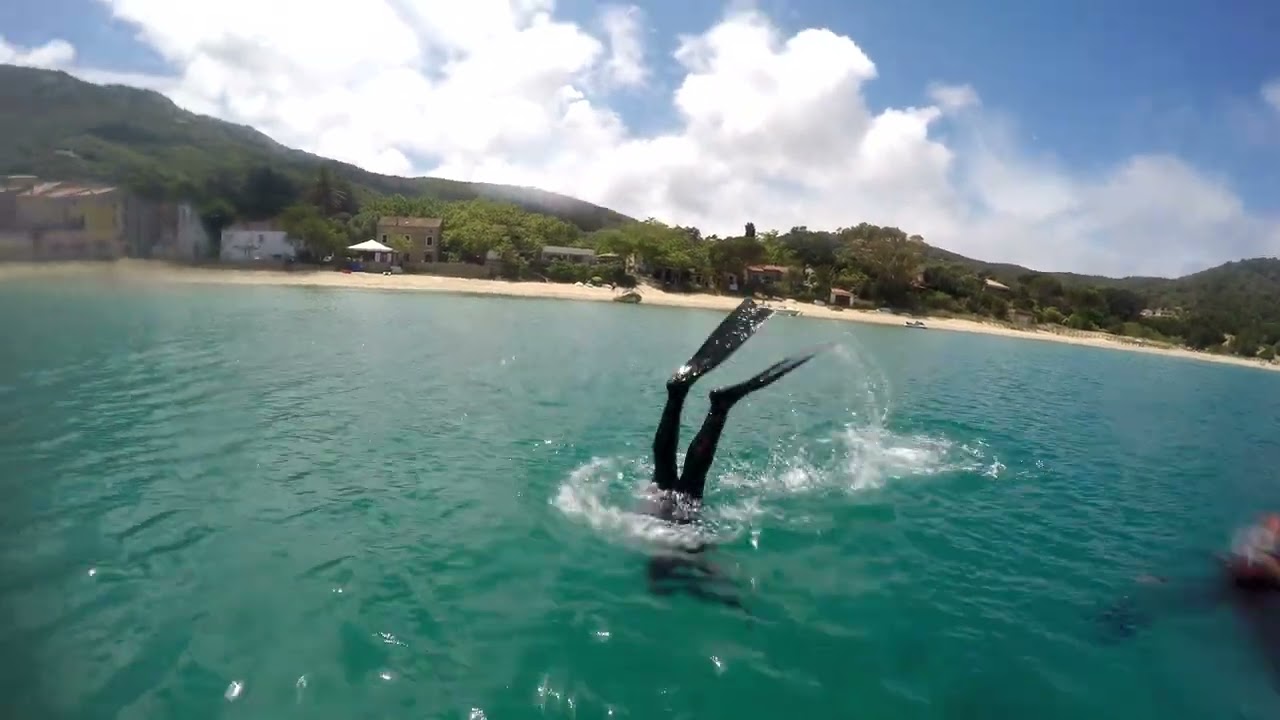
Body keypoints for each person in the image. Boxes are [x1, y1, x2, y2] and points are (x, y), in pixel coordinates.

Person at [640, 298, 824, 607]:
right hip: (656, 510)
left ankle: (720, 407)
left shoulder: (690, 555)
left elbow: (713, 581)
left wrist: (738, 604)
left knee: (691, 480)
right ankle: (677, 395)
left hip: (682, 521)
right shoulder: (655, 543)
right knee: (663, 469)